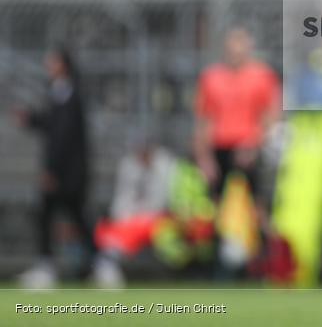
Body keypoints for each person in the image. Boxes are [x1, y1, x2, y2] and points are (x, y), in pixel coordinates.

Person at [15, 48, 98, 288]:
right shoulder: (58, 93)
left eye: (53, 61)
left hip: (68, 172)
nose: (47, 65)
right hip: (67, 170)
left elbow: (63, 136)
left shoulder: (70, 95)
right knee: (55, 215)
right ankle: (52, 264)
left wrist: (51, 169)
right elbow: (51, 124)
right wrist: (31, 119)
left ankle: (93, 263)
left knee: (75, 218)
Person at [194, 27, 280, 203]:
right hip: (219, 147)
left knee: (255, 206)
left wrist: (254, 144)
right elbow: (203, 119)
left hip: (250, 147)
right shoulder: (211, 77)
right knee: (215, 205)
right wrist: (204, 157)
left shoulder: (261, 76)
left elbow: (271, 115)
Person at [92, 133, 178, 287]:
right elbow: (122, 199)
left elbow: (163, 200)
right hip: (134, 219)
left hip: (160, 219)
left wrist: (142, 216)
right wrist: (127, 217)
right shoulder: (129, 165)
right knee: (107, 228)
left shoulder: (165, 165)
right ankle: (108, 268)